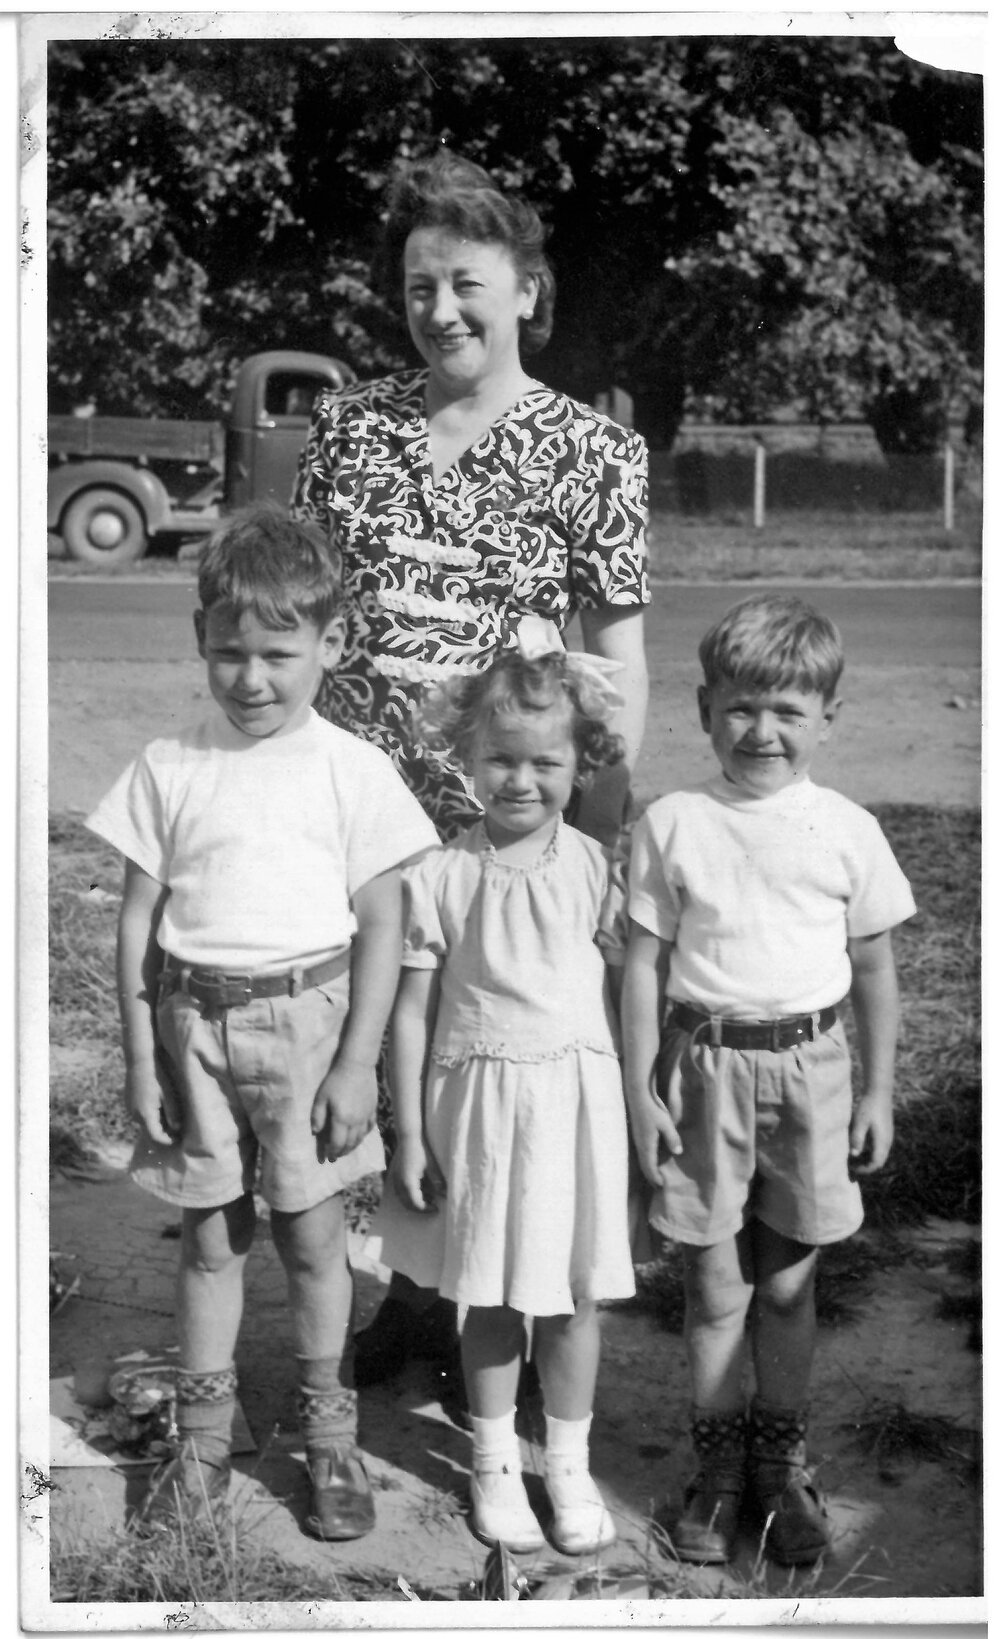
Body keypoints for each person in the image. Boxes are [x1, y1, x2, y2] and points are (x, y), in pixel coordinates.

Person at [291, 148, 649, 1391]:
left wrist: (592, 844)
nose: (439, 309)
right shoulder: (347, 427)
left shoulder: (591, 453)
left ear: (527, 293)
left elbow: (617, 670)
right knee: (381, 1046)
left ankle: (502, 1295)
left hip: (501, 830)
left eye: (465, 285)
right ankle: (410, 1283)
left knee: (484, 1055)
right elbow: (304, 614)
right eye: (417, 289)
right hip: (355, 820)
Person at [85, 505, 438, 1539]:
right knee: (209, 1240)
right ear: (200, 636)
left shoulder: (352, 769)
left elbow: (383, 919)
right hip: (194, 1024)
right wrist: (141, 1044)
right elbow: (139, 917)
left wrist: (355, 1063)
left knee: (316, 1238)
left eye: (278, 654)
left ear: (330, 645)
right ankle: (200, 1442)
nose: (251, 678)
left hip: (310, 1027)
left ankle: (328, 1440)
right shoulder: (168, 762)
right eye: (229, 651)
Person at [621, 593, 916, 1568]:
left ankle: (781, 1466)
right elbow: (640, 966)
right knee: (714, 1285)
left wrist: (874, 1092)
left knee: (787, 1281)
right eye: (742, 706)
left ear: (827, 717)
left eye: (788, 710)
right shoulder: (673, 822)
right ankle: (715, 1469)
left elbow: (872, 967)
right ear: (704, 708)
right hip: (704, 1068)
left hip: (813, 1071)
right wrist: (638, 1087)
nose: (762, 731)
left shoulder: (845, 830)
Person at [375, 627, 636, 1554]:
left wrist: (642, 1103)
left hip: (573, 1103)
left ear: (581, 764)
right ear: (467, 757)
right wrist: (409, 1133)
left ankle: (565, 1461)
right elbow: (410, 1013)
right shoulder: (439, 875)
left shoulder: (600, 871)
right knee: (485, 1292)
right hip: (479, 1109)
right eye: (499, 760)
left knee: (572, 1295)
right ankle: (491, 1459)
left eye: (544, 764)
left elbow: (628, 992)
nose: (520, 782)